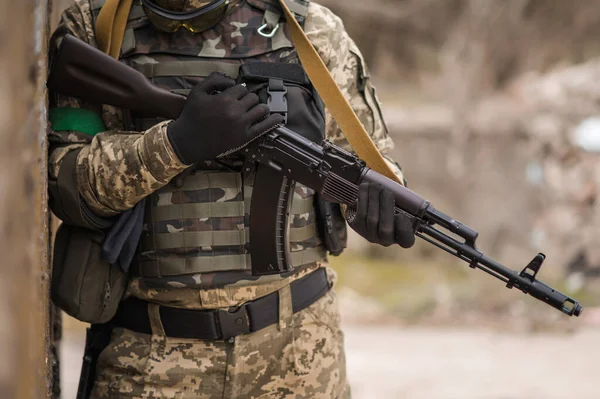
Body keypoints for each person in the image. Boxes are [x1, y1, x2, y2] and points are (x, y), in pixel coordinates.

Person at [48, 0, 415, 397]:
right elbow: (66, 182)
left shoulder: (311, 29)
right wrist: (175, 144)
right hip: (150, 360)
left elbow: (372, 166)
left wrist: (373, 210)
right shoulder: (97, 26)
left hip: (300, 358)